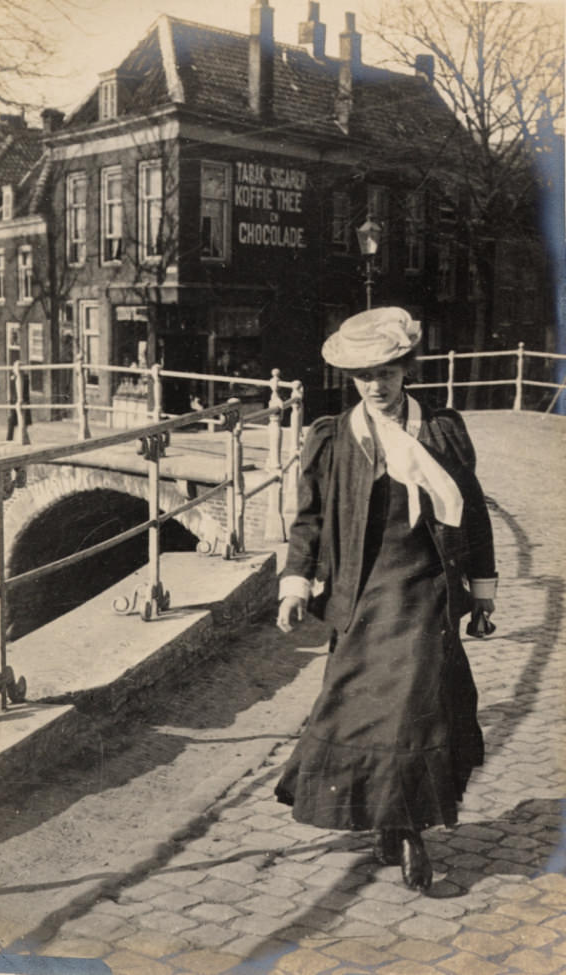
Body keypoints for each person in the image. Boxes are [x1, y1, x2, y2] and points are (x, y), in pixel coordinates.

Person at [275, 307, 497, 892]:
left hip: (425, 591)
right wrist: (296, 583)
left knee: (411, 715)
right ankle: (384, 818)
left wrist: (483, 591)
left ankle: (410, 833)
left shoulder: (442, 431)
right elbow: (309, 521)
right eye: (365, 375)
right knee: (362, 714)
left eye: (389, 372)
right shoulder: (331, 438)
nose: (378, 386)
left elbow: (471, 514)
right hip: (362, 596)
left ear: (407, 371)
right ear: (352, 380)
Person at [6, 367, 31, 441]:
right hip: (14, 401)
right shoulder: (13, 377)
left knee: (24, 422)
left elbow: (24, 389)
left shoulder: (25, 378)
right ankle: (9, 439)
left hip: (23, 401)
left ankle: (24, 438)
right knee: (11, 421)